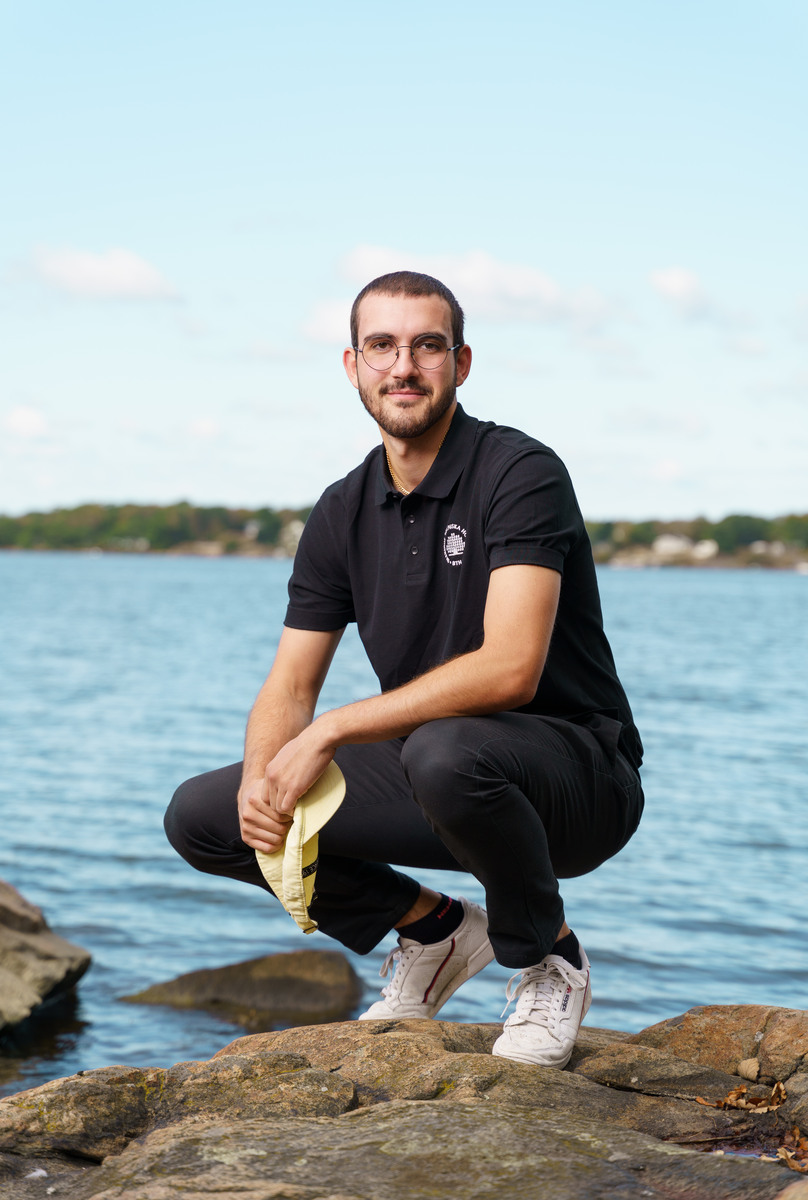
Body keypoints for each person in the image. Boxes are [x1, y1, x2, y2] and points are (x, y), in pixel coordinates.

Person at [165, 270, 644, 1069]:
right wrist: (263, 776)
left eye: (426, 346)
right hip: (440, 775)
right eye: (382, 346)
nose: (404, 367)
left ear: (460, 362)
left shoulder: (519, 472)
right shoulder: (342, 509)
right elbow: (290, 684)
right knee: (205, 815)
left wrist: (334, 730)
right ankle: (433, 930)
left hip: (575, 782)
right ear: (352, 366)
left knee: (445, 750)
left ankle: (547, 960)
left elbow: (511, 670)